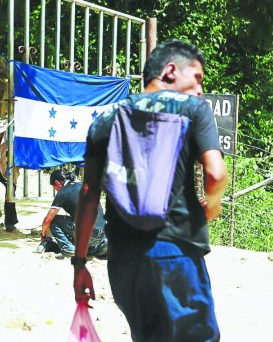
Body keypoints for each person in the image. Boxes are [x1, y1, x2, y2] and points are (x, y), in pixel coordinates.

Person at [72, 39, 228, 341]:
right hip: (175, 251)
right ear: (170, 70)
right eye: (196, 78)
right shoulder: (194, 109)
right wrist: (212, 206)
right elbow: (216, 173)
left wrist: (80, 264)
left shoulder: (104, 119)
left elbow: (89, 194)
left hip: (123, 260)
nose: (199, 90)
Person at [39, 169, 107, 259]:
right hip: (102, 234)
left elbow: (47, 220)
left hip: (89, 234)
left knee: (53, 220)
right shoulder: (83, 186)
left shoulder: (63, 192)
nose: (55, 190)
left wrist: (43, 236)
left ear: (57, 182)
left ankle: (68, 248)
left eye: (54, 187)